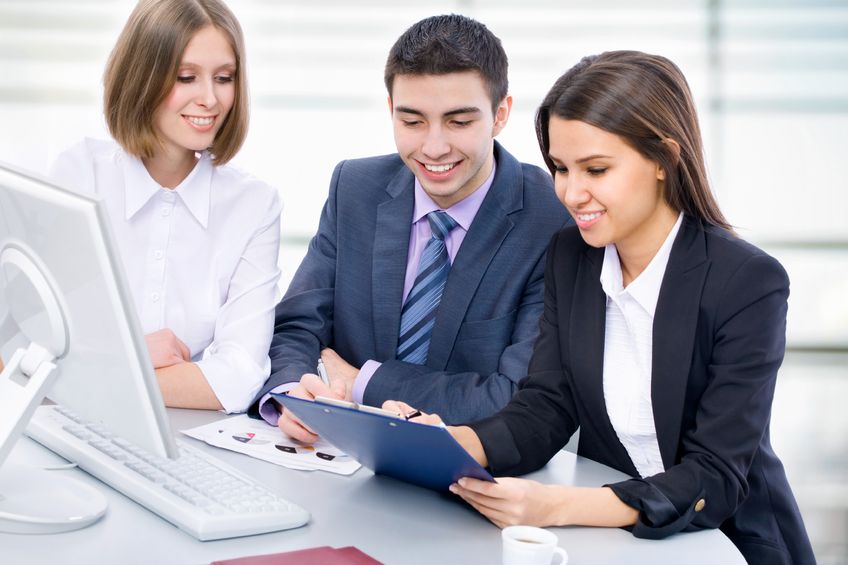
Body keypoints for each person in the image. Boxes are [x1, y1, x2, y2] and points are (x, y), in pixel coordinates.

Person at [392, 51, 815, 564]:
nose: (572, 193)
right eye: (560, 168)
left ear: (663, 159)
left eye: (596, 169)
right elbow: (544, 408)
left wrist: (555, 506)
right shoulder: (572, 258)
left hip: (730, 544)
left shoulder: (747, 281)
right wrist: (448, 443)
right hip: (613, 544)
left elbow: (716, 476)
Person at [250, 14, 569, 442]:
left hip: (464, 472)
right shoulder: (355, 189)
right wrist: (295, 394)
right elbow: (297, 327)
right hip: (332, 454)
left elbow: (517, 397)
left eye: (459, 122)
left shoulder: (552, 218)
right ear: (390, 112)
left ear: (500, 114)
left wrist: (364, 381)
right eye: (413, 121)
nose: (434, 147)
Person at [49, 0, 281, 413]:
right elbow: (24, 346)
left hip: (186, 440)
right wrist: (138, 355)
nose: (210, 99)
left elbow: (240, 377)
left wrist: (103, 364)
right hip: (66, 427)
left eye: (224, 78)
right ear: (142, 76)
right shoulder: (79, 174)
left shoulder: (255, 205)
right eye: (186, 77)